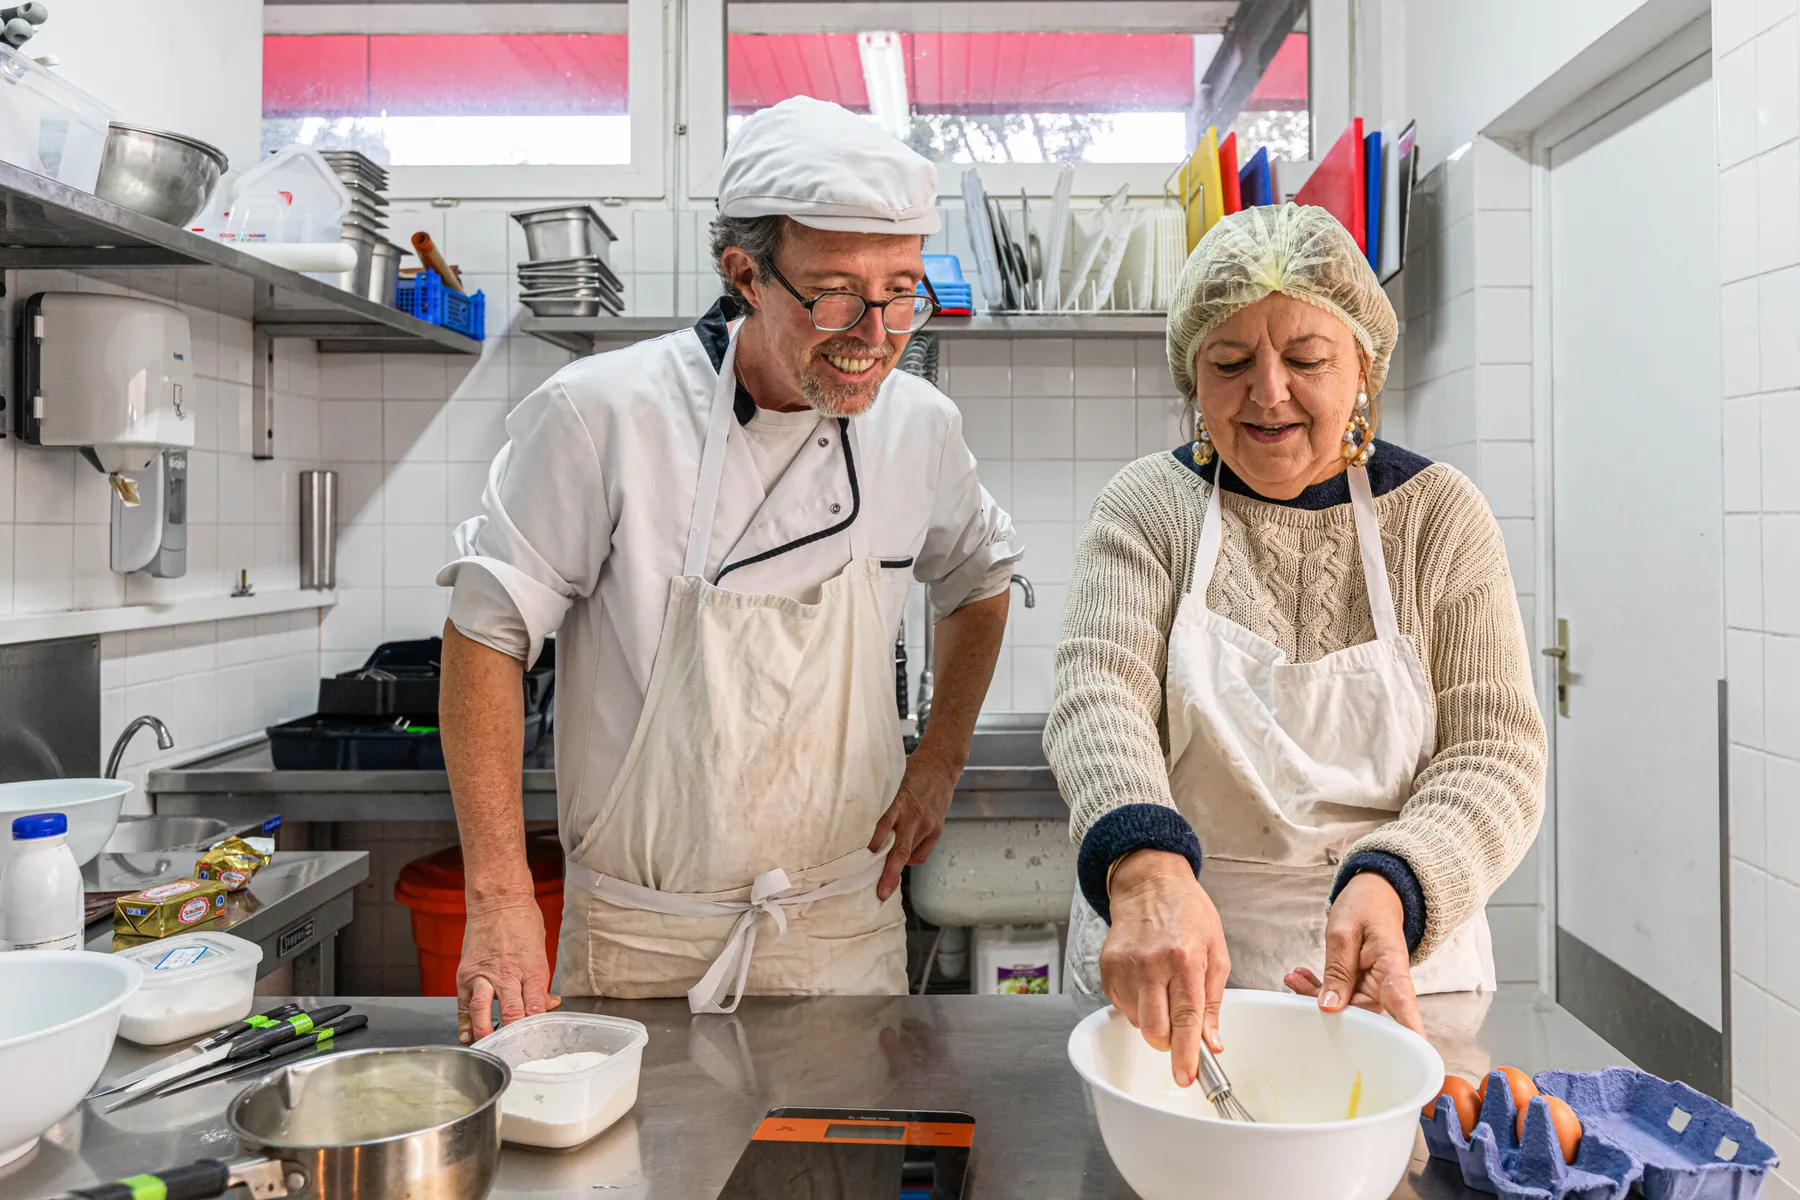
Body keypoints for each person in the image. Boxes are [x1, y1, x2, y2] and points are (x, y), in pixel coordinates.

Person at [438, 96, 1020, 1041]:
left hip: (840, 931)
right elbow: (485, 632)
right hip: (641, 940)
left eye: (904, 290)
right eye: (836, 293)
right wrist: (500, 895)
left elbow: (979, 582)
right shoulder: (602, 414)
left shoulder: (921, 427)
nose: (876, 335)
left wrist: (941, 760)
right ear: (744, 273)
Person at [1044, 204, 1545, 1086]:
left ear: (1364, 370)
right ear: (1193, 380)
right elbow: (1100, 697)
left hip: (1392, 972)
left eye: (1307, 360)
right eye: (1230, 363)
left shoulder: (1438, 518)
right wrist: (1145, 868)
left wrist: (1395, 882)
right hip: (1180, 977)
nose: (1268, 392)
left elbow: (1495, 752)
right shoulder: (1148, 509)